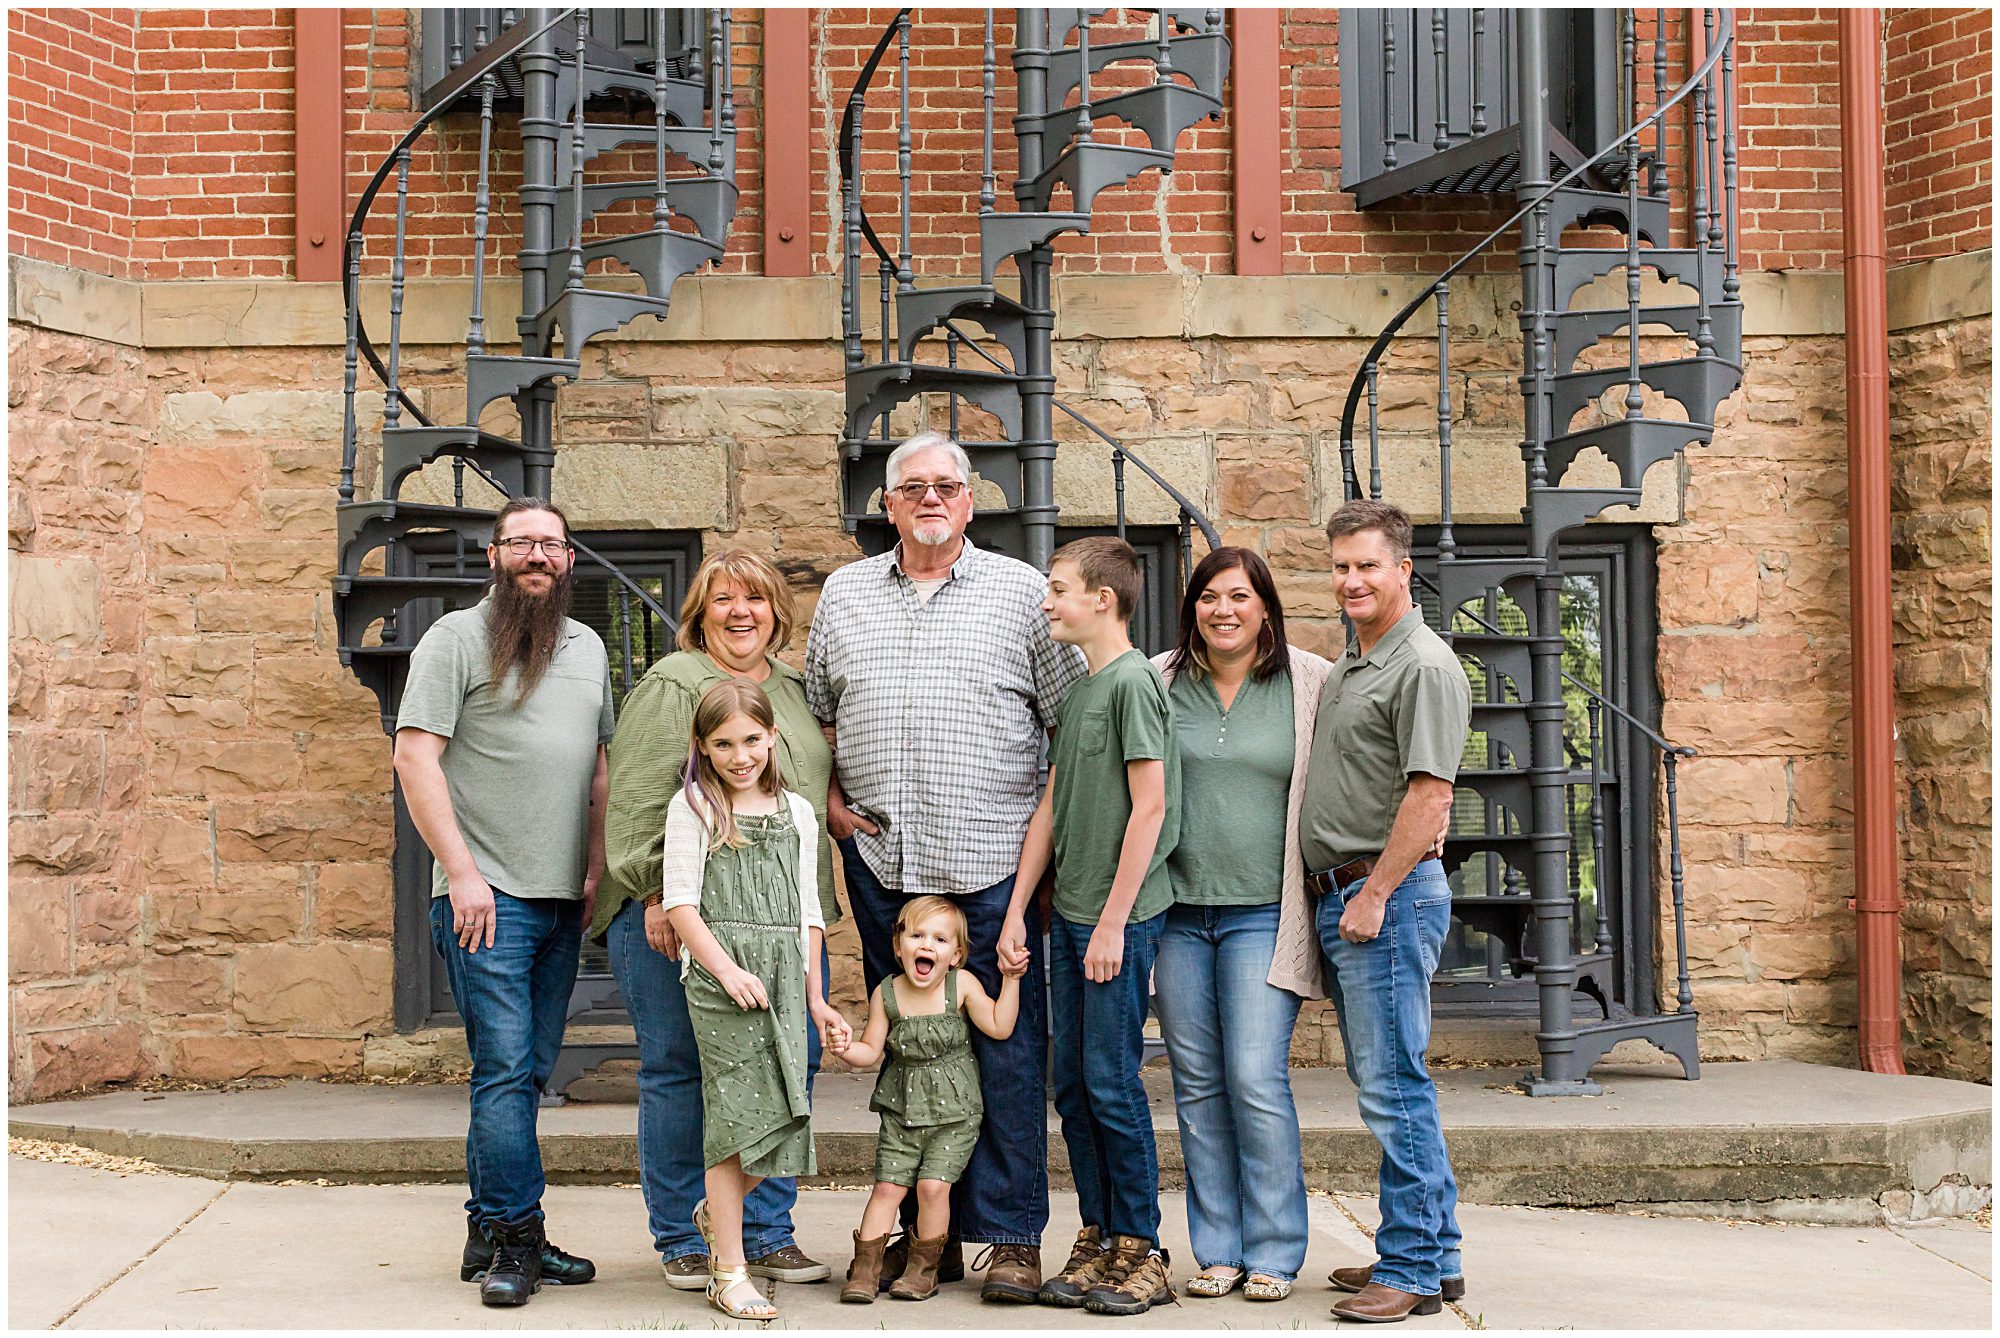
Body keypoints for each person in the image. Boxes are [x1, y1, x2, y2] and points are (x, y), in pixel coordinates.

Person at [806, 430, 1085, 1302]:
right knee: (910, 1056)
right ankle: (928, 1235)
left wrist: (1043, 843)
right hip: (886, 868)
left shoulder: (1019, 594)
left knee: (1004, 1052)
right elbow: (817, 715)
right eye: (912, 487)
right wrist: (831, 801)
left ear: (971, 501)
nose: (931, 499)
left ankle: (1006, 1235)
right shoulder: (845, 593)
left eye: (948, 487)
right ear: (886, 504)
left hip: (994, 869)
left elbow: (1074, 723)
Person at [594, 550, 837, 1292]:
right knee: (683, 1072)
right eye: (723, 599)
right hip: (680, 912)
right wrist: (651, 900)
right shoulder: (674, 685)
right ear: (699, 612)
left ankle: (761, 1229)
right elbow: (635, 796)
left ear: (776, 612)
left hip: (778, 916)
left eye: (755, 600)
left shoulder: (791, 689)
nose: (740, 612)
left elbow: (800, 790)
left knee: (791, 1060)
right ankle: (682, 1235)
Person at [391, 497, 612, 1308]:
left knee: (520, 1076)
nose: (537, 556)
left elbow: (595, 770)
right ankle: (518, 1244)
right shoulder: (454, 638)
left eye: (551, 544)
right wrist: (462, 873)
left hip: (560, 901)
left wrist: (593, 873)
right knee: (507, 1070)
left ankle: (487, 1227)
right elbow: (415, 758)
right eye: (521, 542)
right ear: (494, 555)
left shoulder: (587, 646)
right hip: (487, 900)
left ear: (569, 561)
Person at [1301, 499, 1471, 1324]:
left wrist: (1371, 895)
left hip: (1386, 900)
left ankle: (1407, 1269)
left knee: (1393, 1085)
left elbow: (1430, 796)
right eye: (1341, 566)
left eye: (1369, 565)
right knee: (1391, 1079)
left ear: (1404, 570)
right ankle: (1438, 1254)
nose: (1352, 580)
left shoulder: (1423, 666)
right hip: (1353, 895)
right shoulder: (1359, 659)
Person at [1148, 547, 1332, 1303]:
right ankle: (1217, 1248)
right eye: (1208, 598)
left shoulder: (1309, 681)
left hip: (1265, 911)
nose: (1222, 610)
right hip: (1179, 915)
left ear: (1265, 608)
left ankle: (1277, 1250)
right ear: (1191, 607)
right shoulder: (1159, 680)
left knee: (1253, 1078)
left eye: (1239, 597)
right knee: (1195, 1084)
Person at [1003, 535, 1180, 1317]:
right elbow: (1049, 809)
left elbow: (1151, 807)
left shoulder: (1135, 684)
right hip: (1067, 918)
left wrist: (1112, 923)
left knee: (1112, 1082)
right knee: (1071, 1085)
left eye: (1059, 589)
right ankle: (1098, 1234)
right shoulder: (1079, 690)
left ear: (1102, 600)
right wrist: (1016, 910)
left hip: (1119, 920)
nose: (1048, 601)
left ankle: (1142, 1248)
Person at [659, 679, 851, 1322]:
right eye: (723, 744)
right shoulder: (694, 807)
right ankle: (730, 1271)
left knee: (784, 1117)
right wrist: (727, 972)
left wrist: (817, 998)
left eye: (750, 740)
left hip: (785, 977)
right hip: (722, 981)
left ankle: (717, 1213)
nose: (740, 756)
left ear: (772, 737)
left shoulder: (797, 811)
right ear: (703, 747)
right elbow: (681, 904)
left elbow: (809, 910)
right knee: (737, 1122)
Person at [831, 896, 1025, 1303]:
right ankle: (866, 1268)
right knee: (887, 1188)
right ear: (899, 946)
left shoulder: (962, 986)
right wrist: (845, 1048)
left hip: (954, 1115)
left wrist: (1011, 980)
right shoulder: (888, 992)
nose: (926, 945)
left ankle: (924, 1268)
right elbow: (870, 1051)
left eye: (939, 939)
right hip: (902, 1113)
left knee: (933, 1188)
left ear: (955, 955)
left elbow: (1000, 1026)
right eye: (916, 935)